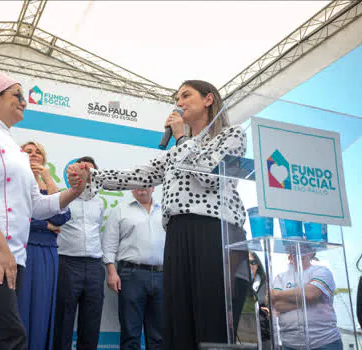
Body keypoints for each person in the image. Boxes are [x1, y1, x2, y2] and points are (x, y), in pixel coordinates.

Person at [67, 80, 248, 349]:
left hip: (215, 232)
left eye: (186, 96)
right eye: (177, 98)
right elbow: (138, 175)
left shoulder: (232, 135)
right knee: (178, 320)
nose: (179, 103)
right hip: (177, 234)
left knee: (212, 317)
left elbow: (209, 175)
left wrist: (182, 138)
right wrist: (93, 176)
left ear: (209, 99)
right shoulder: (177, 150)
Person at [0, 73, 86, 350]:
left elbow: (36, 206)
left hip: (12, 252)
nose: (25, 101)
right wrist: (1, 248)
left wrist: (74, 192)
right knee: (10, 336)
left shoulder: (14, 148)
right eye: (17, 95)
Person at [16, 141, 71, 350]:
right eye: (28, 151)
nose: (34, 155)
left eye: (38, 152)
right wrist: (45, 224)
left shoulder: (50, 186)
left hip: (47, 254)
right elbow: (18, 216)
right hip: (21, 250)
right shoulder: (14, 183)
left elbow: (62, 216)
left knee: (42, 307)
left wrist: (47, 178)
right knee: (19, 306)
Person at [102, 187, 165, 350]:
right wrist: (111, 272)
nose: (141, 188)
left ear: (152, 187)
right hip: (130, 275)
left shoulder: (166, 209)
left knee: (159, 335)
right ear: (131, 188)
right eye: (137, 184)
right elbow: (109, 244)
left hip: (162, 275)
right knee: (130, 333)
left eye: (146, 184)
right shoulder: (120, 210)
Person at [53, 156, 106, 350]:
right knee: (63, 321)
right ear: (75, 174)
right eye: (83, 170)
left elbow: (98, 229)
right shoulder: (63, 197)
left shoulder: (99, 202)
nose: (87, 174)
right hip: (67, 264)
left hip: (94, 266)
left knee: (91, 323)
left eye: (91, 172)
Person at [272, 252, 342, 350]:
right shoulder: (280, 277)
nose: (297, 253)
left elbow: (311, 293)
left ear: (312, 253)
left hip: (324, 342)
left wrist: (277, 294)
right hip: (289, 344)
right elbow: (277, 305)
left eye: (303, 249)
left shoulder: (322, 271)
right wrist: (307, 300)